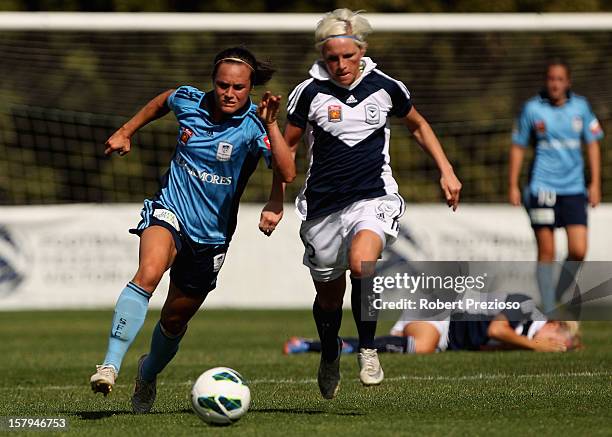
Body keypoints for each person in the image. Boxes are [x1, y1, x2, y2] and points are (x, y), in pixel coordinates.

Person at [259, 9, 462, 399]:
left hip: (373, 197)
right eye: (332, 58)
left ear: (362, 51)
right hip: (322, 209)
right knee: (328, 299)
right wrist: (275, 200)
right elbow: (287, 151)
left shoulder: (386, 86)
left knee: (361, 262)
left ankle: (368, 349)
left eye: (347, 57)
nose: (340, 65)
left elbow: (418, 124)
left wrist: (446, 169)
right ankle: (330, 351)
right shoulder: (309, 93)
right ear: (323, 56)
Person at [89, 46, 295, 414]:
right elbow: (163, 100)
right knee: (148, 273)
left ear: (250, 88)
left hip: (212, 236)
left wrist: (271, 125)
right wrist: (125, 131)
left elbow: (288, 171)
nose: (229, 93)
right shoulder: (189, 101)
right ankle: (109, 365)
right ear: (213, 83)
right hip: (170, 211)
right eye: (222, 85)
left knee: (174, 319)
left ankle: (147, 373)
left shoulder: (254, 125)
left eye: (238, 87)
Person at [508, 60, 603, 313]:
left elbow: (593, 144)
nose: (555, 84)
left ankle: (558, 292)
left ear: (568, 82)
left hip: (574, 188)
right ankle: (548, 309)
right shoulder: (532, 109)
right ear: (546, 80)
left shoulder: (581, 108)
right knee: (547, 249)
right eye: (551, 79)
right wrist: (513, 185)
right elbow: (518, 146)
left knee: (578, 250)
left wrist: (595, 183)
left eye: (560, 79)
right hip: (542, 188)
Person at [284, 293, 581, 355]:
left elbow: (485, 341)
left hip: (445, 334)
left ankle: (321, 346)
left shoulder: (523, 334)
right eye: (559, 336)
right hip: (440, 313)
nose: (556, 343)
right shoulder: (525, 306)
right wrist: (535, 346)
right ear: (552, 323)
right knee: (420, 347)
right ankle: (309, 345)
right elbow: (494, 329)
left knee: (388, 347)